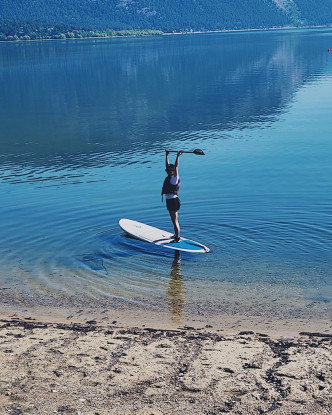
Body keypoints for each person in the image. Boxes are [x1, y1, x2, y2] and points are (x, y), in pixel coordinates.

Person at [161, 150, 183, 242]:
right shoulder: (170, 176)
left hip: (173, 201)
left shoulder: (175, 178)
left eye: (171, 170)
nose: (169, 171)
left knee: (175, 220)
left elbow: (176, 166)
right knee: (173, 219)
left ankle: (177, 237)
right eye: (168, 170)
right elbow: (167, 165)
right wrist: (167, 155)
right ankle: (175, 235)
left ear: (173, 172)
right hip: (170, 200)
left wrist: (178, 156)